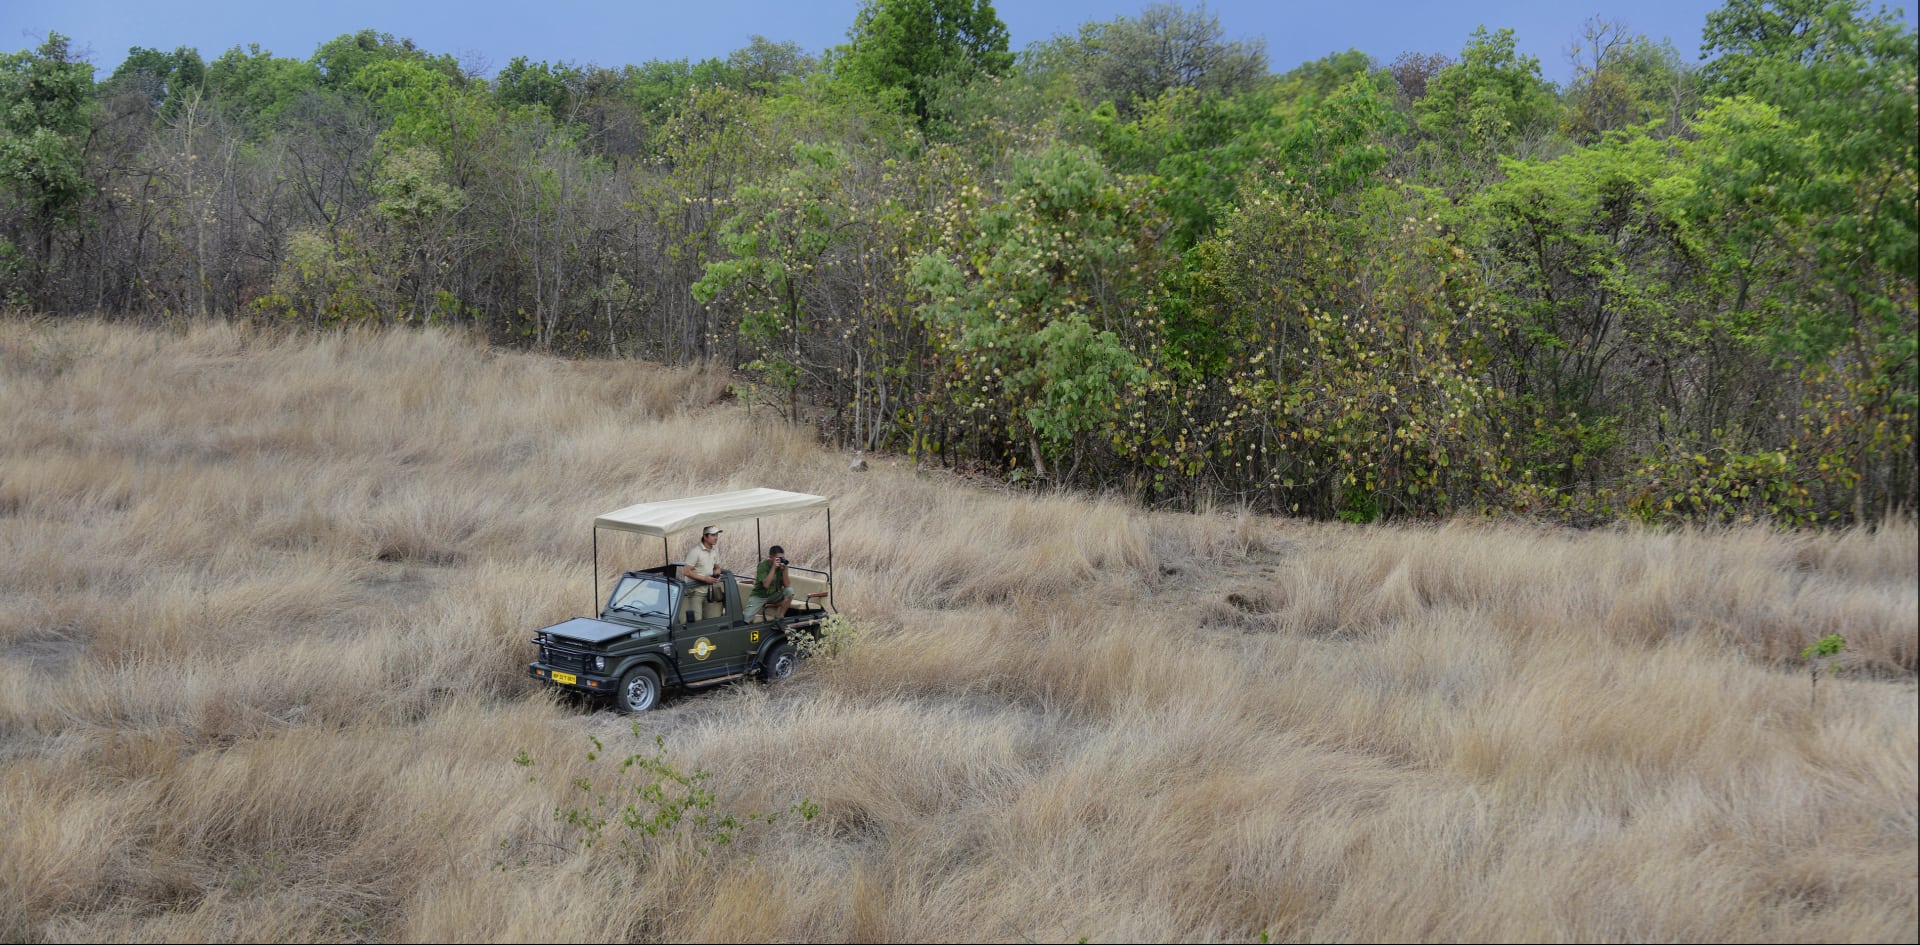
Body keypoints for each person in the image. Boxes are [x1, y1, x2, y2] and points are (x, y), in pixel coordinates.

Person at [745, 544, 794, 621]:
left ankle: (780, 617)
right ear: (771, 557)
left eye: (782, 557)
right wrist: (774, 568)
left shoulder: (783, 565)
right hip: (760, 595)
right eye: (778, 558)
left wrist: (784, 570)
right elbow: (766, 585)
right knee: (747, 617)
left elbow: (787, 585)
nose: (780, 560)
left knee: (790, 591)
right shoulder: (763, 565)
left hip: (774, 595)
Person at [684, 526, 723, 597]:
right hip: (695, 591)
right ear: (705, 537)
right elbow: (687, 572)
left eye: (717, 535)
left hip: (709, 590)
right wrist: (704, 579)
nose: (716, 538)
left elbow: (717, 567)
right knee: (694, 609)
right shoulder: (695, 551)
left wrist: (716, 576)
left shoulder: (715, 550)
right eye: (713, 535)